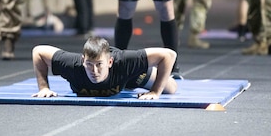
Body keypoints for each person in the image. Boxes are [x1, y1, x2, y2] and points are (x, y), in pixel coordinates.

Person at [31, 36, 177, 99]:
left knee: (171, 88)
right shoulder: (72, 65)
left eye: (99, 65)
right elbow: (38, 51)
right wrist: (43, 87)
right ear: (83, 61)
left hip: (129, 77)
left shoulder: (125, 62)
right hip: (117, 78)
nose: (94, 71)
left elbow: (169, 55)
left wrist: (155, 92)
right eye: (89, 65)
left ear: (110, 62)